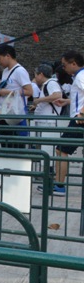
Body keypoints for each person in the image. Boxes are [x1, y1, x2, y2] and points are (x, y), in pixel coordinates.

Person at [49, 50, 84, 197]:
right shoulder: (80, 76)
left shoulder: (81, 76)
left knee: (61, 150)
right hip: (79, 117)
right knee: (61, 150)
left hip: (79, 120)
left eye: (64, 65)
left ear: (74, 63)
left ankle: (59, 185)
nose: (63, 68)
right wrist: (68, 101)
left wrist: (82, 113)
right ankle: (59, 184)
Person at [0, 44, 32, 146]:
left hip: (14, 114)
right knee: (5, 143)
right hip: (4, 113)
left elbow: (29, 91)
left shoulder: (20, 71)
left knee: (14, 144)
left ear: (8, 56)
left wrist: (7, 92)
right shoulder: (5, 71)